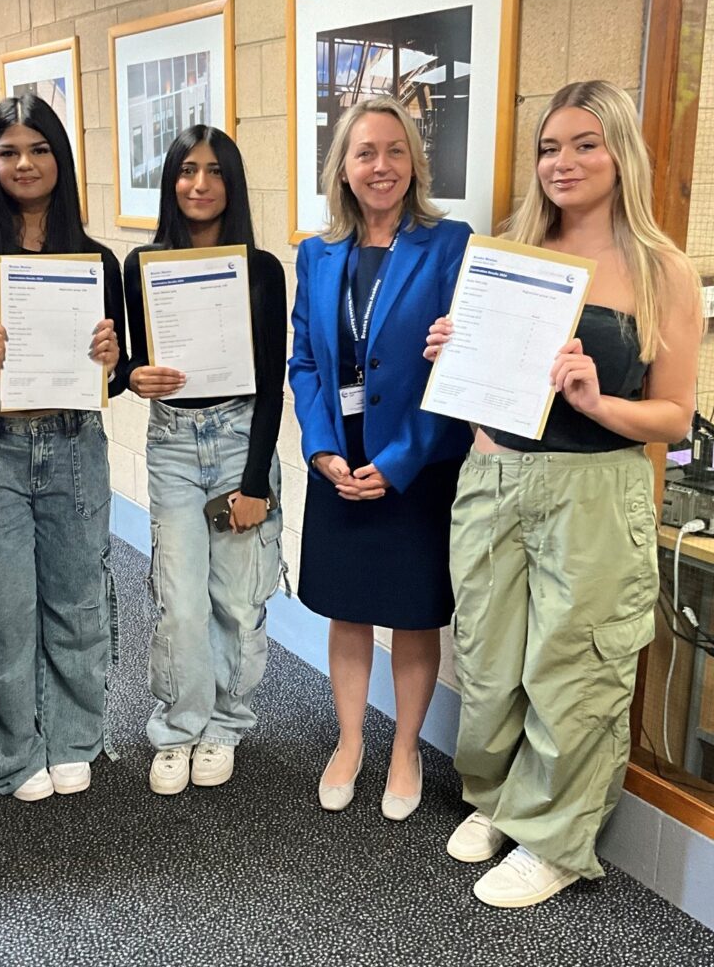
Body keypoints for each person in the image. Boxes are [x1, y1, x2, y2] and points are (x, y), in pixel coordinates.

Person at [425, 80, 701, 907]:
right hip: (495, 479)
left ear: (621, 154)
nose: (562, 162)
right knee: (489, 656)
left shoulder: (660, 268)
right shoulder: (512, 253)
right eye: (549, 147)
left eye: (585, 144)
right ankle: (497, 798)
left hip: (595, 488)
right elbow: (485, 392)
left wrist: (597, 401)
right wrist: (457, 358)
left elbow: (674, 416)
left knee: (573, 668)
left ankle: (551, 837)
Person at [0, 96, 126, 804]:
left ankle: (75, 738)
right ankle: (13, 751)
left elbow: (118, 376)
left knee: (76, 600)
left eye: (39, 149)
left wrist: (112, 362)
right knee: (5, 610)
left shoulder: (96, 258)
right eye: (8, 151)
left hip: (73, 442)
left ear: (59, 158)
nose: (24, 163)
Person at [288, 97, 472, 818]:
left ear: (414, 163)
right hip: (341, 460)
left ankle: (405, 749)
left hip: (417, 462)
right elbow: (306, 365)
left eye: (396, 151)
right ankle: (349, 740)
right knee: (349, 608)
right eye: (365, 152)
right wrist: (319, 448)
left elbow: (455, 373)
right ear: (344, 167)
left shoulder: (448, 245)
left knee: (414, 612)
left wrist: (397, 463)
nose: (381, 166)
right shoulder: (318, 253)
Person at [124, 125, 287, 794]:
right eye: (187, 170)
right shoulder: (142, 266)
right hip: (172, 443)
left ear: (233, 183)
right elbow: (132, 362)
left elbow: (272, 382)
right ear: (170, 181)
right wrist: (133, 375)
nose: (199, 183)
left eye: (215, 171)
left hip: (240, 440)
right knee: (179, 600)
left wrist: (255, 484)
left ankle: (226, 722)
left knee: (238, 601)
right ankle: (177, 726)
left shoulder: (262, 269)